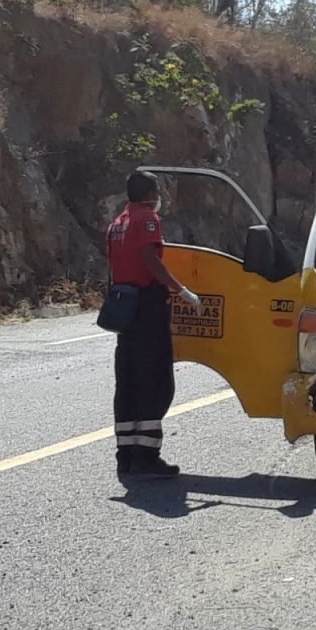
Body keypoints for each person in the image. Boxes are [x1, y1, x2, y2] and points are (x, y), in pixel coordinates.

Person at [106, 171, 201, 477]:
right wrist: (180, 289)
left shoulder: (117, 223)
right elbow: (150, 259)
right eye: (157, 190)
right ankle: (146, 455)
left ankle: (126, 455)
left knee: (128, 381)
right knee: (155, 380)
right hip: (147, 307)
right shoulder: (147, 219)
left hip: (125, 306)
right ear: (150, 193)